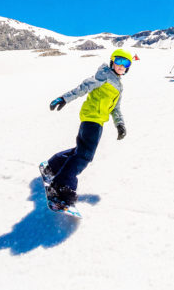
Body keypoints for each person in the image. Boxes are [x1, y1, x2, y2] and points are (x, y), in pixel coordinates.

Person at [41, 49, 131, 206]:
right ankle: (60, 187)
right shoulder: (104, 75)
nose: (121, 66)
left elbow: (116, 108)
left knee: (81, 150)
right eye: (118, 61)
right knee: (85, 155)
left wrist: (120, 124)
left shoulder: (119, 86)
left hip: (98, 120)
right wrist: (64, 98)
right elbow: (84, 87)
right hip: (92, 118)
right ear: (112, 61)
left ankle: (52, 166)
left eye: (126, 63)